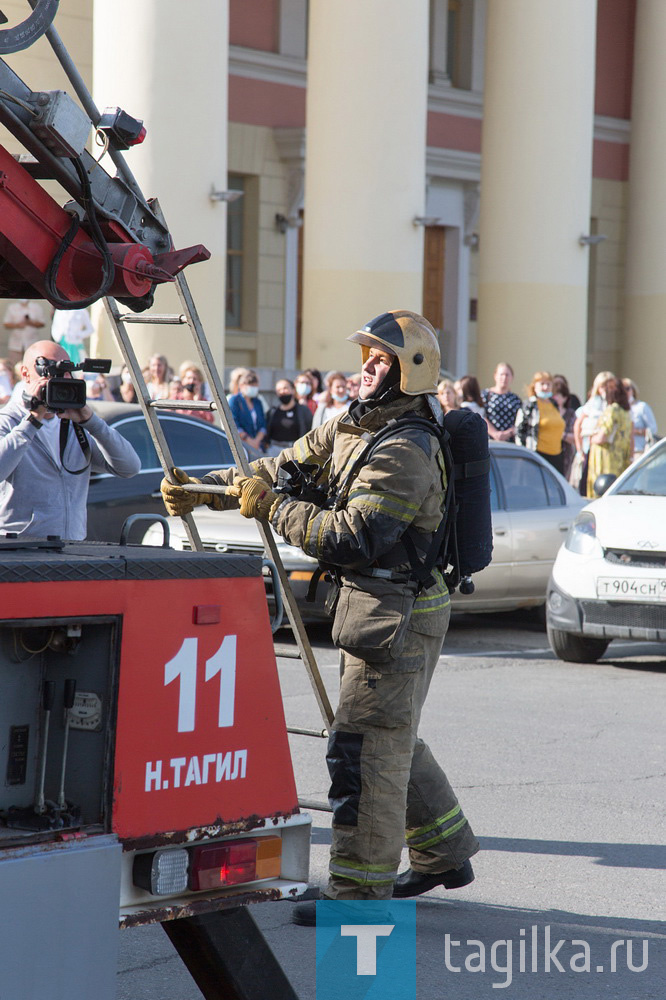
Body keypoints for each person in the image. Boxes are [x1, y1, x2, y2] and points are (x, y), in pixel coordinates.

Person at [161, 310, 479, 923]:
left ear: (410, 373)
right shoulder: (353, 427)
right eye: (366, 354)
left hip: (399, 614)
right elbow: (276, 471)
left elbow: (349, 537)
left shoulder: (407, 449)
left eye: (380, 359)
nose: (365, 366)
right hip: (376, 608)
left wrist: (272, 509)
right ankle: (445, 851)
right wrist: (210, 490)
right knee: (387, 737)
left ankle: (359, 897)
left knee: (365, 749)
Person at [0, 341, 140, 539]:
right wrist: (32, 421)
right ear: (25, 373)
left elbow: (130, 468)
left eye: (64, 370)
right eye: (48, 370)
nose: (57, 378)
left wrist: (92, 422)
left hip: (71, 548)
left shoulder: (76, 425)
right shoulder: (8, 421)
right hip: (20, 551)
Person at [587, 377, 633, 497]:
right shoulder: (626, 412)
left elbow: (602, 437)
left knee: (600, 494)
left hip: (605, 460)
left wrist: (592, 438)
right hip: (621, 460)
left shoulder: (612, 410)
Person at [572, 370, 615, 496]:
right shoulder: (593, 403)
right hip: (591, 449)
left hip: (609, 451)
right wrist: (580, 450)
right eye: (603, 386)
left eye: (609, 386)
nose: (606, 390)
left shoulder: (614, 405)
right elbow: (577, 425)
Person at [515, 371, 566, 473]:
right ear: (534, 386)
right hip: (538, 454)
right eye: (542, 384)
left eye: (548, 384)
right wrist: (524, 454)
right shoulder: (530, 404)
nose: (545, 387)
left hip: (557, 455)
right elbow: (520, 431)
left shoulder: (554, 404)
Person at [228, 369, 267, 458]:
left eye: (255, 385)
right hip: (242, 446)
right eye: (251, 385)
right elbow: (233, 424)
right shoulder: (234, 400)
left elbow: (263, 424)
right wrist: (249, 441)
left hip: (258, 446)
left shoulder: (257, 402)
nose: (253, 388)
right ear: (241, 385)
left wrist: (257, 441)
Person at [265, 378, 312, 449]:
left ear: (293, 390)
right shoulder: (272, 412)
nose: (282, 392)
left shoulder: (303, 410)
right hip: (273, 450)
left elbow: (309, 430)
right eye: (279, 390)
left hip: (294, 450)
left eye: (285, 388)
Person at [482, 362, 522, 442]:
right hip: (488, 441)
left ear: (512, 377)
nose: (504, 378)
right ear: (495, 376)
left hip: (509, 442)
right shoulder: (485, 395)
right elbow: (480, 415)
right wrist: (494, 433)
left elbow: (520, 420)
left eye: (507, 375)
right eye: (501, 374)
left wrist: (508, 433)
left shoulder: (515, 399)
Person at [622, 378, 658, 459]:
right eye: (622, 389)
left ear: (633, 390)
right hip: (623, 453)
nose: (625, 392)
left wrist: (635, 431)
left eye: (627, 388)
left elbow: (653, 429)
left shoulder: (641, 407)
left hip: (638, 451)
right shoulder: (619, 409)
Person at [4, 299, 46, 366]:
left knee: (31, 364)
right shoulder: (12, 307)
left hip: (31, 342)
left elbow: (42, 323)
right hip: (15, 343)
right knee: (14, 364)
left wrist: (30, 322)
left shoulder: (36, 307)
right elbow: (6, 324)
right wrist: (17, 325)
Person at [552, 375, 577, 480]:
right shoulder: (549, 412)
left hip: (565, 454)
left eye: (558, 395)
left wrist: (561, 435)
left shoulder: (570, 414)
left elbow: (575, 437)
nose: (555, 398)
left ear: (565, 397)